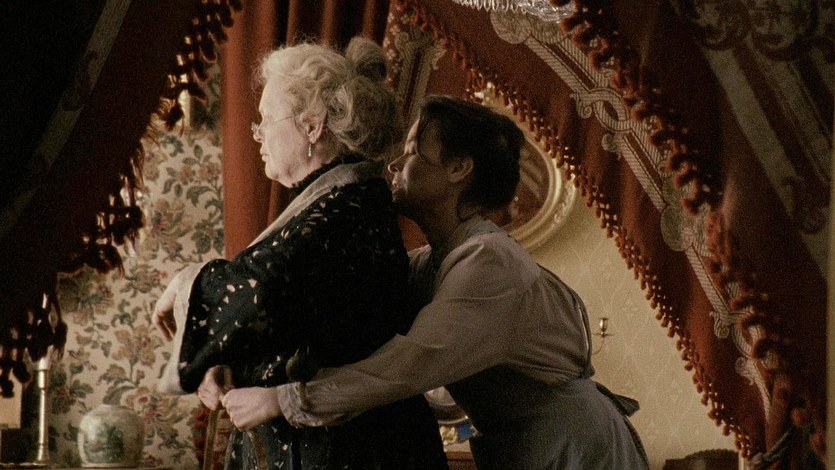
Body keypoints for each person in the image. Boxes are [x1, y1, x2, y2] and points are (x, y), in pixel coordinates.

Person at [208, 95, 650, 469]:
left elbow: (407, 365)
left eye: (415, 151)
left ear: (458, 168)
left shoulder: (489, 262)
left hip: (576, 448)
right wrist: (235, 355)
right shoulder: (432, 264)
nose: (398, 163)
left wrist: (283, 400)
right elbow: (341, 315)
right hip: (527, 447)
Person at [152, 38, 448, 469]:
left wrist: (184, 281)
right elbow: (292, 317)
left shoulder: (347, 207)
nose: (258, 134)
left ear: (312, 126)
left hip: (355, 454)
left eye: (266, 119)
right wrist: (230, 362)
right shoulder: (330, 202)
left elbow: (263, 289)